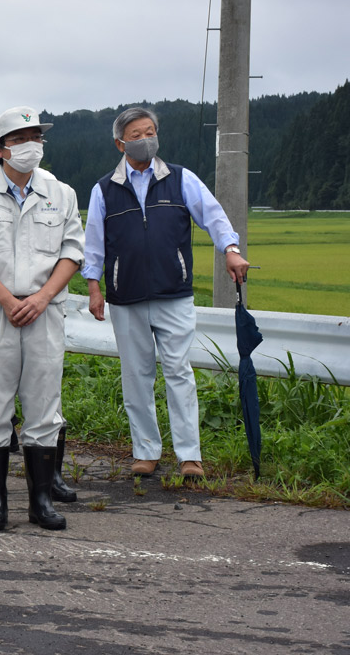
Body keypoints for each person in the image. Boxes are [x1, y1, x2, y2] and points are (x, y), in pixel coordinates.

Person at [83, 106, 249, 479]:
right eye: (136, 135)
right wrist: (94, 288)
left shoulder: (180, 179)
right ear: (119, 143)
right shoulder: (104, 189)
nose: (145, 140)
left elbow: (214, 216)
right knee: (136, 375)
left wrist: (232, 250)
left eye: (150, 132)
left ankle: (190, 455)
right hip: (125, 297)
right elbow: (93, 244)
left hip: (174, 293)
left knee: (178, 371)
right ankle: (145, 451)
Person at [0, 106, 84, 531]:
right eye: (21, 138)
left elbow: (72, 251)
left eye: (37, 137)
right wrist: (10, 301)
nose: (32, 146)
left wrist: (43, 296)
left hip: (46, 308)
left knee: (44, 404)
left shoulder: (60, 192)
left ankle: (41, 501)